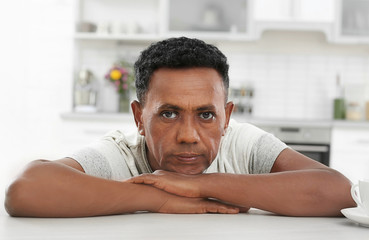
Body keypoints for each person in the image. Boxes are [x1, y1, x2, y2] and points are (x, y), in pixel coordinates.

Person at [5, 37, 355, 218]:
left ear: (227, 117)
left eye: (206, 115)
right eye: (169, 114)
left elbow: (338, 191)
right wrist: (158, 199)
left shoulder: (244, 144)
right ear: (139, 118)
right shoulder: (122, 154)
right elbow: (26, 189)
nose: (188, 135)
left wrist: (198, 185)